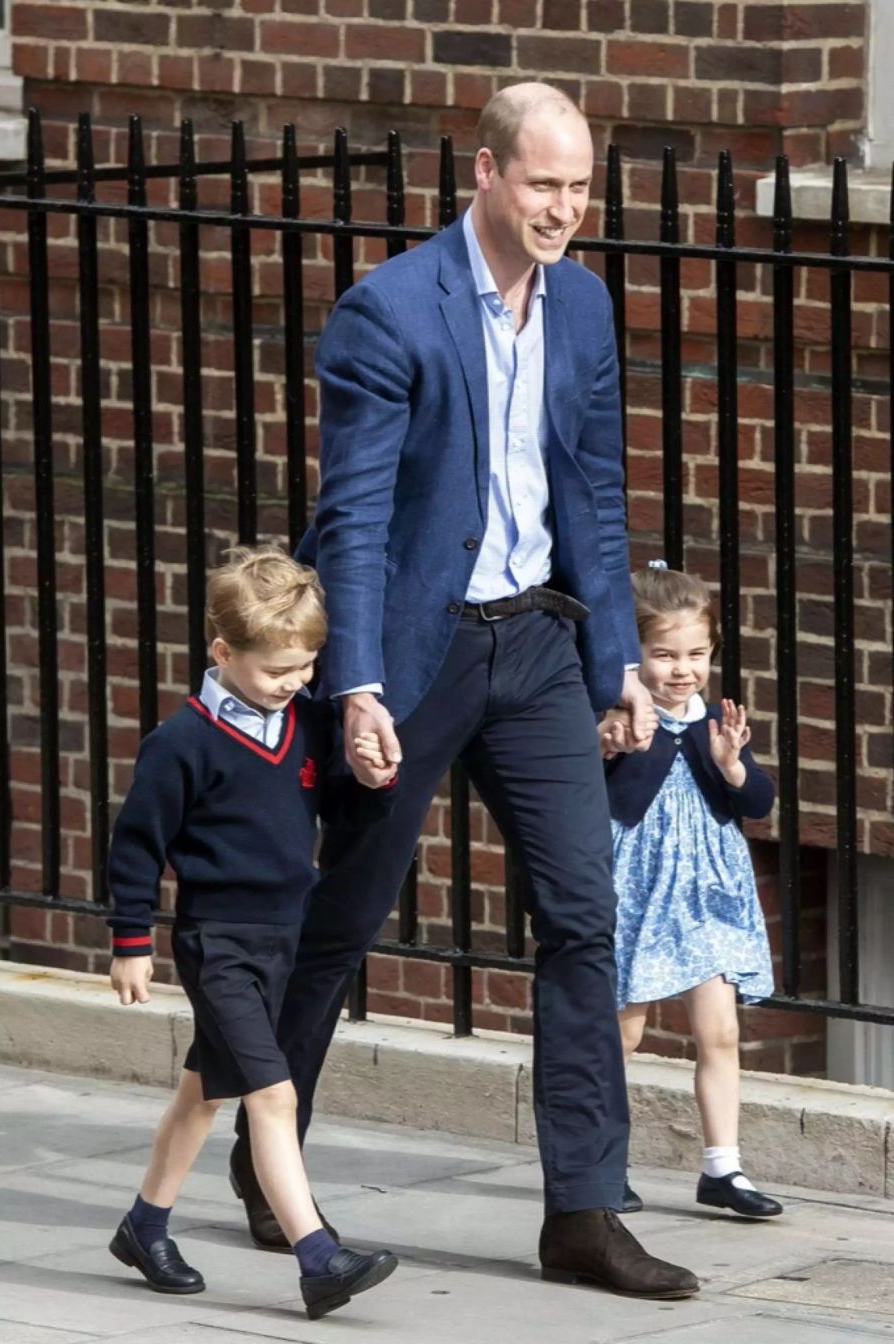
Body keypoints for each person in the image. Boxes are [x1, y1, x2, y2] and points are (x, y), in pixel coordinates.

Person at [229, 82, 699, 1299]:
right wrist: (362, 686)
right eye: (543, 184)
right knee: (344, 916)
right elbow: (358, 517)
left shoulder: (584, 307)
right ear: (482, 173)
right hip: (420, 651)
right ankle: (264, 1144)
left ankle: (584, 1213)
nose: (565, 209)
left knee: (582, 915)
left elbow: (594, 494)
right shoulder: (387, 313)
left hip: (539, 645)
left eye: (580, 186)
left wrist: (618, 668)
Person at [106, 544, 398, 1320]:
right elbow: (136, 845)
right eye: (277, 670)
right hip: (218, 943)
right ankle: (317, 1257)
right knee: (272, 1096)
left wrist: (371, 781)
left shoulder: (304, 723)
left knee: (202, 1094)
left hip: (283, 940)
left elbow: (339, 809)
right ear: (223, 653)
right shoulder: (182, 742)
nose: (295, 683)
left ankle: (144, 1227)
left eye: (306, 667)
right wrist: (130, 941)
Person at [598, 562, 782, 1219]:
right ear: (634, 654)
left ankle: (723, 1168)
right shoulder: (618, 717)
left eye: (696, 654)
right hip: (638, 883)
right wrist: (613, 747)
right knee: (624, 1033)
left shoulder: (715, 721)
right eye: (665, 654)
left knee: (720, 1030)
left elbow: (757, 802)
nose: (683, 670)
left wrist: (733, 765)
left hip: (710, 889)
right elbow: (607, 799)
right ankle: (601, 1165)